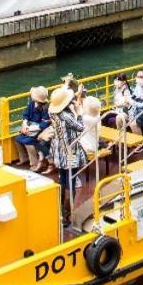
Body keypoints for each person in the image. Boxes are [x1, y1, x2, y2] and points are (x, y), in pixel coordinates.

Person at [47, 86, 87, 226]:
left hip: (58, 150)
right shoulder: (67, 116)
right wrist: (79, 112)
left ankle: (60, 212)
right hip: (69, 151)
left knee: (62, 179)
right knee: (71, 181)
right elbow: (81, 127)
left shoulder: (52, 113)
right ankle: (66, 215)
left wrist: (76, 95)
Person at [15, 86, 52, 172]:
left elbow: (43, 125)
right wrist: (24, 124)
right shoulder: (32, 104)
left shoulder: (46, 108)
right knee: (17, 139)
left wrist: (29, 129)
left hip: (39, 130)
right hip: (29, 127)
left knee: (28, 142)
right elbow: (26, 114)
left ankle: (34, 162)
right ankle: (23, 158)